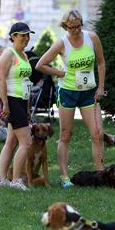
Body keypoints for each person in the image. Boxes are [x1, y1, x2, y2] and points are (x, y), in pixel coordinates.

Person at [36, 10, 106, 187]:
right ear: (65, 26)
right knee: (66, 134)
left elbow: (101, 62)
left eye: (79, 25)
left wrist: (101, 87)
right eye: (73, 27)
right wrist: (59, 72)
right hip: (68, 92)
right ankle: (64, 177)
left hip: (89, 92)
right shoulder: (62, 43)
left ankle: (100, 173)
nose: (77, 30)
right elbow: (40, 65)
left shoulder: (92, 38)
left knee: (97, 134)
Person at [0, 22, 34, 191]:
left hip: (22, 101)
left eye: (27, 35)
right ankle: (15, 180)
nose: (26, 38)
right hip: (11, 100)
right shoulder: (8, 54)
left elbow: (25, 82)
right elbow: (1, 79)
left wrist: (27, 108)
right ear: (13, 37)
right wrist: (5, 103)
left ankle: (1, 180)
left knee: (11, 141)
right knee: (26, 142)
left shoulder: (24, 55)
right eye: (22, 35)